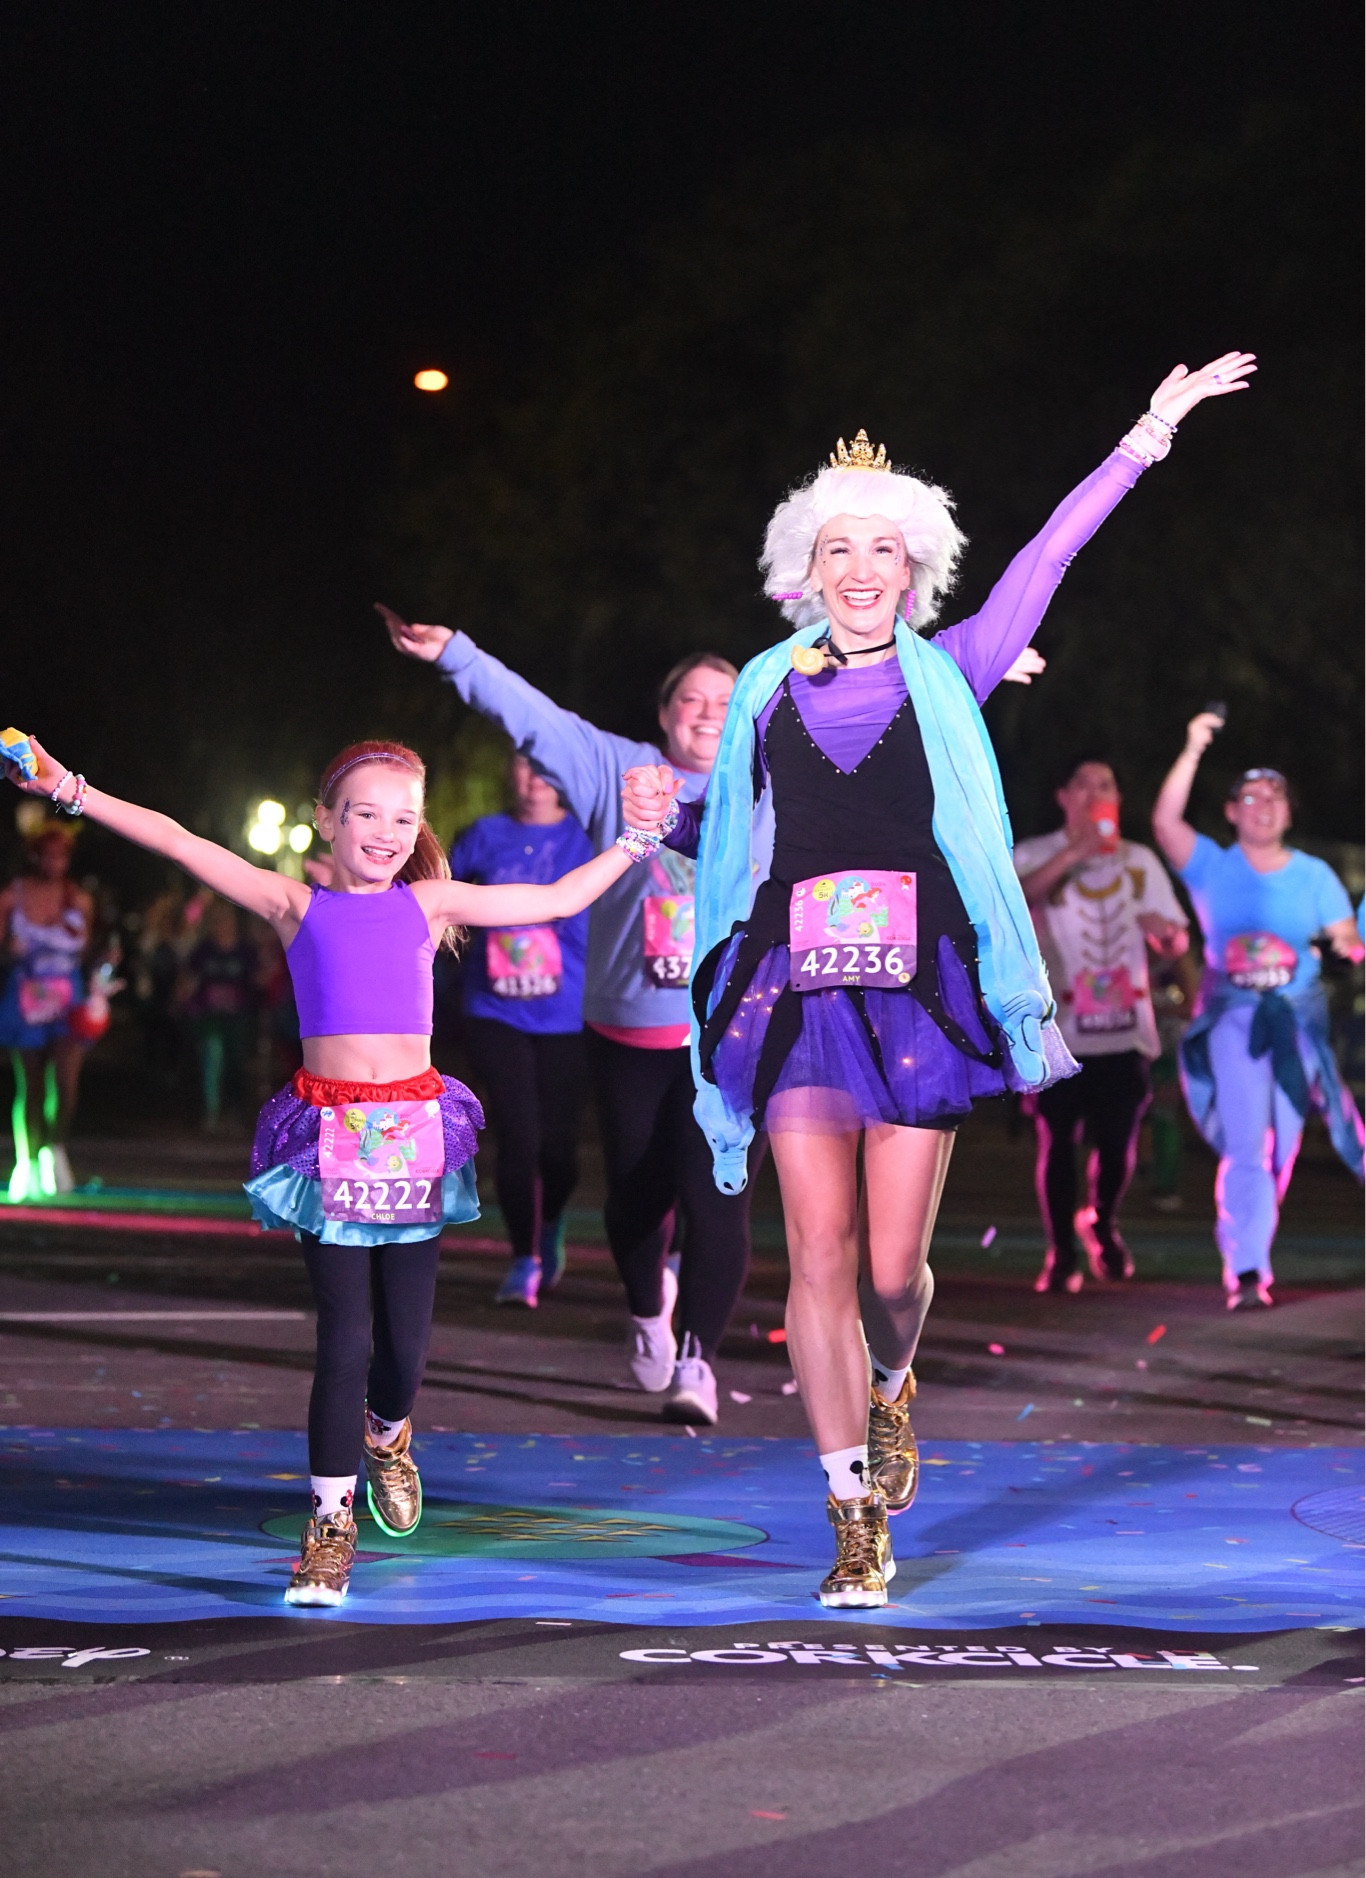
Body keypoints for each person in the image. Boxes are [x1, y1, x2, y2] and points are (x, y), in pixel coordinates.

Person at [627, 352, 1256, 1608]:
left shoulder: (951, 665)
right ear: (804, 573)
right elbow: (737, 837)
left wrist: (1148, 431)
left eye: (884, 552)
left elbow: (1047, 559)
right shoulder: (758, 692)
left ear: (911, 569)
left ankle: (896, 1381)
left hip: (915, 994)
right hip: (794, 995)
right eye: (838, 551)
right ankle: (851, 1507)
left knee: (888, 1276)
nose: (861, 572)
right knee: (814, 1254)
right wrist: (664, 824)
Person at [1, 731, 667, 1606]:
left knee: (405, 1352)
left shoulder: (432, 904)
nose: (386, 833)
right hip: (330, 1138)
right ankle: (328, 1527)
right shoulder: (293, 903)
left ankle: (389, 1435)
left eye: (404, 818)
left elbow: (553, 898)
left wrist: (639, 837)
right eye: (366, 814)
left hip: (417, 1134)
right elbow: (177, 840)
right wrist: (69, 789)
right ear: (326, 821)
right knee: (344, 1339)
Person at [380, 602, 761, 1427]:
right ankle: (648, 1314)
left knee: (717, 1195)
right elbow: (536, 718)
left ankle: (699, 1364)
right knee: (635, 1196)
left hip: (731, 1033)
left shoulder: (770, 785)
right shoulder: (617, 769)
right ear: (664, 715)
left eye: (725, 702)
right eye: (690, 700)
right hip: (629, 1028)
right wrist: (458, 656)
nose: (706, 713)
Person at [1152, 714, 1363, 1308]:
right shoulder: (1213, 868)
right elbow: (1165, 823)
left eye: (1275, 797)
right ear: (1231, 811)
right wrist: (1192, 745)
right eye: (1251, 795)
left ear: (1289, 814)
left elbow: (1347, 941)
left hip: (1298, 1024)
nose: (1263, 805)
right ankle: (1246, 1270)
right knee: (1248, 1143)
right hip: (1235, 1020)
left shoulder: (1315, 876)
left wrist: (1341, 950)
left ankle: (1249, 1243)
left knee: (1281, 1149)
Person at [1014, 756, 1189, 1290]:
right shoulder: (1034, 854)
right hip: (1058, 1028)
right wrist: (1075, 852)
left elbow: (1176, 938)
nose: (1095, 794)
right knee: (1058, 1139)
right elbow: (1012, 906)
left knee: (1118, 1142)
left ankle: (1103, 1222)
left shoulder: (1139, 860)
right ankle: (1061, 1252)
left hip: (1126, 1028)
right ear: (1063, 796)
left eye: (1106, 785)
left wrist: (1167, 938)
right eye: (1084, 784)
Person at [451, 752, 592, 1306]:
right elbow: (438, 897)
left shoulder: (588, 838)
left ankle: (551, 1222)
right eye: (523, 766)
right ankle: (522, 1258)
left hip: (569, 1013)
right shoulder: (485, 835)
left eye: (546, 767)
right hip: (495, 1011)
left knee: (558, 1147)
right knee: (519, 1134)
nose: (534, 778)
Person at [0, 820, 94, 1198]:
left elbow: (88, 952)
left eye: (62, 855)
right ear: (35, 855)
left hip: (67, 997)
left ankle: (55, 1151)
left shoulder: (79, 899)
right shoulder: (12, 896)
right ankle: (27, 1160)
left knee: (67, 1083)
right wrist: (10, 951)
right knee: (32, 1085)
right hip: (25, 995)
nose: (55, 862)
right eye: (49, 854)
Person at [178, 899, 262, 1133]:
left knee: (236, 1062)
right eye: (218, 921)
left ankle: (235, 1112)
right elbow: (189, 979)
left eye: (227, 921)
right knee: (211, 1061)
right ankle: (211, 1111)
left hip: (238, 1017)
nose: (223, 926)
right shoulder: (203, 950)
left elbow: (257, 979)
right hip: (209, 1017)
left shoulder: (245, 950)